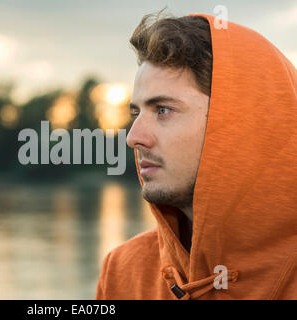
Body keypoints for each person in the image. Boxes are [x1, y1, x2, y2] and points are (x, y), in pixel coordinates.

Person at [95, 11, 296, 300]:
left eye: (163, 110)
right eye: (137, 113)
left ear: (240, 122)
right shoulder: (124, 271)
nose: (133, 138)